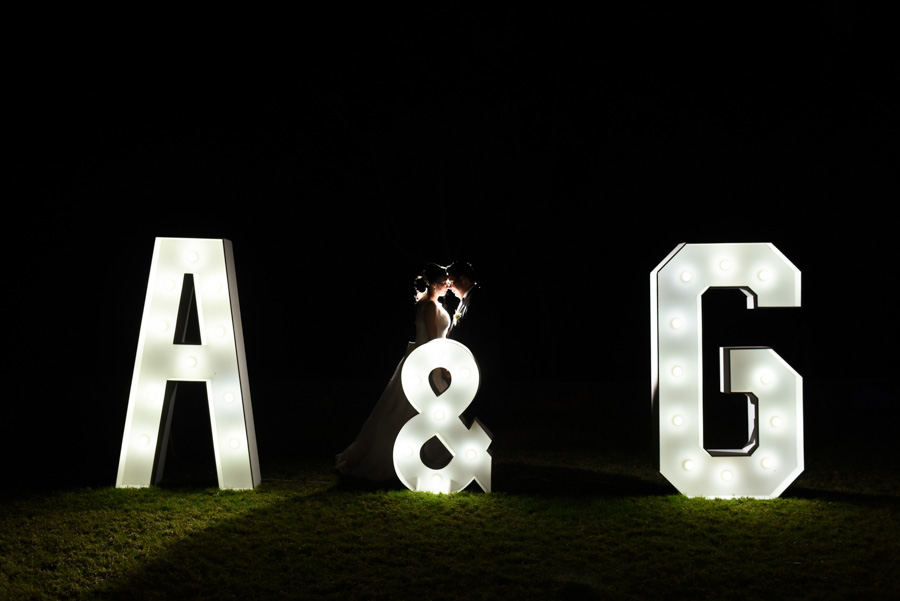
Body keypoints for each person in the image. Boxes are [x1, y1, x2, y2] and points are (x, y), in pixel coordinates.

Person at [335, 263, 452, 481]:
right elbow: (435, 341)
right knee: (416, 409)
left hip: (420, 359)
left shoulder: (428, 304)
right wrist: (443, 367)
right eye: (444, 281)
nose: (448, 284)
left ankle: (429, 455)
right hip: (427, 362)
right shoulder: (430, 307)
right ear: (434, 283)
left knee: (413, 409)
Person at [446, 260, 498, 426]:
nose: (448, 286)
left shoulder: (478, 299)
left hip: (473, 365)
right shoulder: (466, 299)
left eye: (451, 281)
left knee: (476, 409)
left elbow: (476, 335)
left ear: (463, 279)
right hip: (464, 365)